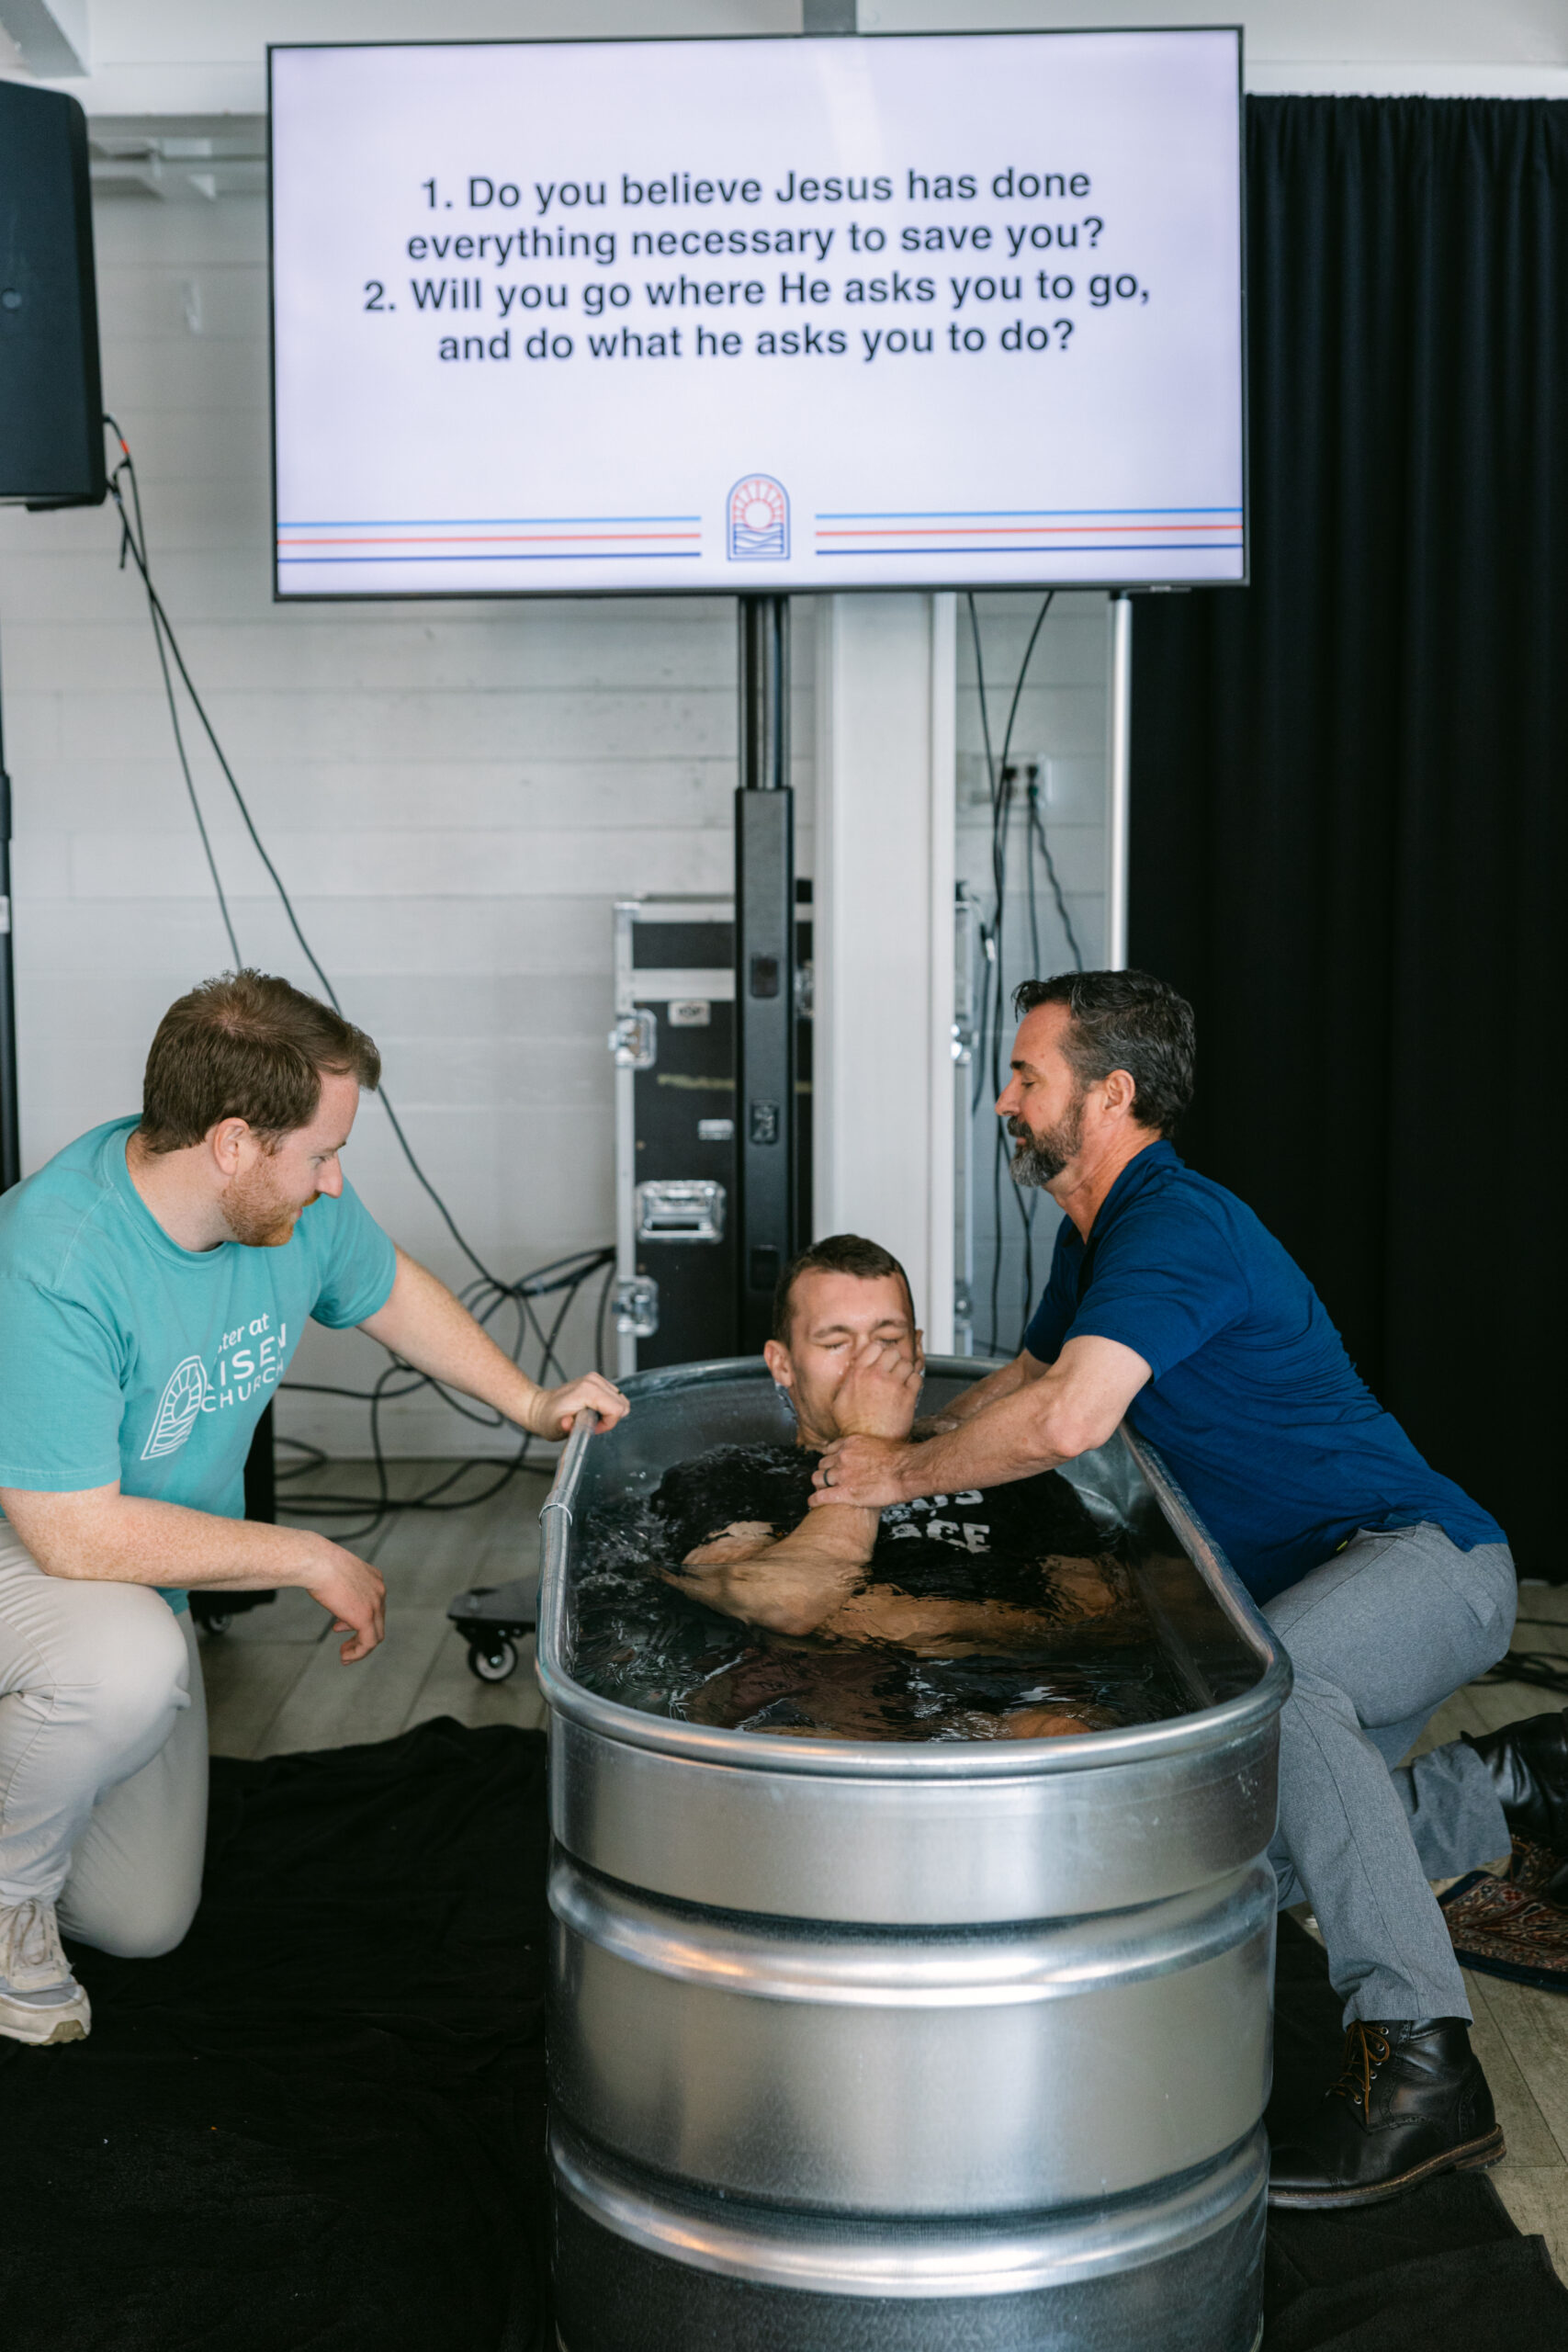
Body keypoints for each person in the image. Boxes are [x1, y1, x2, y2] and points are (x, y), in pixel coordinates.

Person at [808, 968, 1566, 2210]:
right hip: (1312, 1588)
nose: (1001, 1099)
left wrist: (891, 1481)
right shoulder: (1095, 1237)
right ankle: (1503, 1788)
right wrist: (901, 1469)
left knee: (1279, 1700)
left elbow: (1067, 1417)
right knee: (1226, 1868)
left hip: (1417, 1560)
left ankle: (1426, 2070)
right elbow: (1027, 1374)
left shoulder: (1173, 1228)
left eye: (1024, 1077)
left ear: (1107, 1095)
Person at [0, 971, 626, 2048]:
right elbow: (71, 1532)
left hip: (122, 1574)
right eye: (323, 1154)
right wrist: (300, 1553)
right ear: (235, 1142)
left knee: (140, 1919)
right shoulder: (54, 1257)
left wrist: (527, 1399)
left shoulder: (284, 1214)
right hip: (42, 1550)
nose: (336, 1182)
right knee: (125, 1669)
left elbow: (387, 1287)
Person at [658, 1231, 1140, 1741]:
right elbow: (787, 1603)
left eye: (888, 1341)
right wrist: (868, 1440)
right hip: (819, 1702)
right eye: (837, 1343)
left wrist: (907, 1620)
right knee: (805, 1745)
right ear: (782, 1363)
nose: (867, 1366)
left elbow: (1105, 1617)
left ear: (918, 1349)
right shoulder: (726, 1474)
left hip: (1011, 1693)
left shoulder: (1001, 1466)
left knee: (1067, 1735)